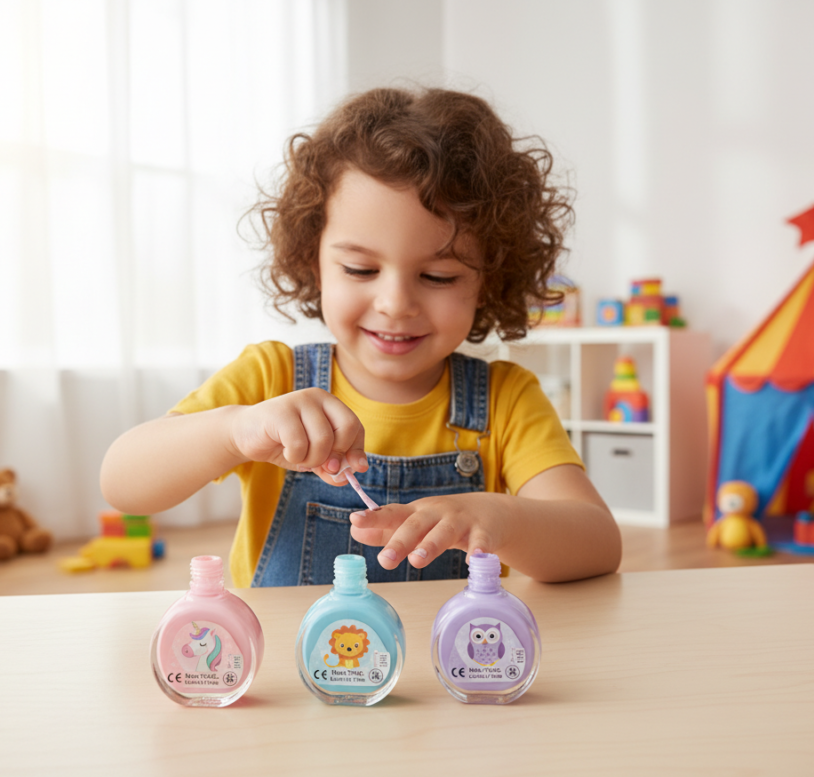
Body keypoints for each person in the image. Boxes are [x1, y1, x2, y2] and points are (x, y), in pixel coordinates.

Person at [100, 87, 621, 588]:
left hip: (453, 671)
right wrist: (233, 431)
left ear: (490, 280)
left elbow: (598, 544)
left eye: (438, 276)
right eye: (359, 268)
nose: (396, 303)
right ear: (314, 260)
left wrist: (501, 517)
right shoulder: (271, 378)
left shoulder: (507, 400)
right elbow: (123, 484)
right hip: (292, 671)